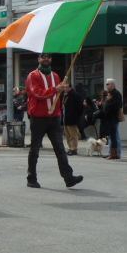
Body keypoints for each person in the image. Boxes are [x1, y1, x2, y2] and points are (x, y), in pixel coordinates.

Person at [25, 53, 84, 188]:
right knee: (34, 149)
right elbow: (37, 93)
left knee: (60, 149)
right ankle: (31, 178)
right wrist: (56, 89)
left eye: (48, 57)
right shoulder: (33, 75)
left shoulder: (56, 76)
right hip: (38, 118)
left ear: (51, 60)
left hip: (53, 118)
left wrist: (61, 91)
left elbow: (57, 96)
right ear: (38, 59)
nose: (46, 59)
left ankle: (68, 178)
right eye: (43, 57)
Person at [61, 83, 83, 156]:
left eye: (66, 87)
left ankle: (74, 149)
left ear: (70, 87)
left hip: (72, 118)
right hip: (66, 118)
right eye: (64, 87)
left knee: (73, 135)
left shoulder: (75, 95)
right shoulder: (66, 95)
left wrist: (77, 116)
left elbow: (80, 107)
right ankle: (70, 148)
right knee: (67, 135)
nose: (65, 89)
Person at [105, 78, 123, 158]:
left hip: (113, 118)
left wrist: (108, 102)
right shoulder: (109, 93)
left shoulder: (116, 94)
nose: (107, 86)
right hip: (109, 118)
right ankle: (110, 152)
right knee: (111, 136)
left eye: (108, 84)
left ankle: (115, 153)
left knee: (114, 136)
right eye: (106, 84)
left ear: (112, 85)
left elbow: (117, 106)